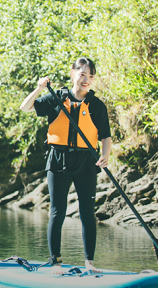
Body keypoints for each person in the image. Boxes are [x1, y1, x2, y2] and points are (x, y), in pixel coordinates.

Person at [19, 57, 112, 274]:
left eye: (90, 76)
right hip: (58, 160)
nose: (86, 79)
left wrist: (106, 155)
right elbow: (25, 107)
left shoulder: (97, 106)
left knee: (88, 213)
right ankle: (56, 262)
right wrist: (39, 88)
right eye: (82, 74)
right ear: (73, 74)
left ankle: (89, 263)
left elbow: (105, 136)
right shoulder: (56, 98)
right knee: (57, 212)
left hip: (86, 162)